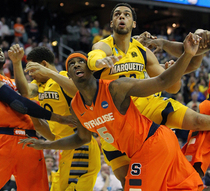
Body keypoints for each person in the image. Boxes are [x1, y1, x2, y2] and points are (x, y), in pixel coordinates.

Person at [20, 35, 204, 190]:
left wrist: (187, 54)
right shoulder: (77, 106)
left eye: (80, 62)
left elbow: (163, 81)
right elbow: (80, 139)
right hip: (138, 150)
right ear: (68, 74)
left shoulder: (115, 88)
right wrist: (43, 145)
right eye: (71, 64)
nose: (76, 65)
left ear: (91, 70)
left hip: (153, 142)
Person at [86, 3, 210, 185]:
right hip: (116, 121)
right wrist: (99, 62)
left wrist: (173, 69)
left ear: (133, 23)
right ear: (111, 23)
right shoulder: (104, 46)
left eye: (127, 14)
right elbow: (93, 56)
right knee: (128, 181)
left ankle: (194, 171)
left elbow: (172, 87)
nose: (122, 16)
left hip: (147, 106)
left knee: (201, 122)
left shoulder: (142, 50)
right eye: (117, 14)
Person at [0, 42, 74, 191]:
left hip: (30, 141)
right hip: (5, 139)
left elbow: (24, 92)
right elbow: (18, 103)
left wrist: (17, 62)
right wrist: (59, 118)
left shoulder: (11, 82)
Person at [13, 45, 101, 191]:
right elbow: (25, 92)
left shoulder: (66, 76)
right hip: (64, 148)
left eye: (31, 70)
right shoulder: (39, 85)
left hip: (81, 146)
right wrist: (16, 63)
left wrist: (48, 72)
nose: (30, 75)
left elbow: (78, 91)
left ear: (43, 65)